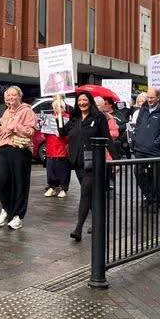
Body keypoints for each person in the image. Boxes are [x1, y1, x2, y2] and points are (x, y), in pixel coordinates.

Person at [58, 91, 111, 241]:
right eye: (79, 100)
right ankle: (98, 223)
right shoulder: (75, 118)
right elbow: (62, 133)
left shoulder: (98, 117)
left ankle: (78, 228)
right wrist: (59, 116)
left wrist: (115, 159)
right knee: (91, 194)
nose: (82, 103)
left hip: (93, 161)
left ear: (90, 101)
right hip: (77, 162)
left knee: (85, 193)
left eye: (85, 100)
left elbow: (107, 138)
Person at [0, 86, 37, 230]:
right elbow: (4, 130)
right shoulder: (5, 112)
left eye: (12, 95)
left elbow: (31, 131)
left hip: (20, 150)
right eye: (7, 96)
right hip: (3, 149)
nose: (9, 98)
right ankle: (6, 208)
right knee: (0, 180)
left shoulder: (27, 111)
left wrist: (16, 126)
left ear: (19, 97)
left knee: (19, 183)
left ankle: (17, 215)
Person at [133, 87, 160, 212]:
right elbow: (138, 125)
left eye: (152, 98)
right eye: (148, 98)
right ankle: (150, 197)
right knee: (138, 173)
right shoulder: (143, 109)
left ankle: (156, 202)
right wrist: (137, 139)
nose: (149, 100)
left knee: (156, 177)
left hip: (156, 151)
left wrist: (155, 143)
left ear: (158, 97)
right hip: (141, 149)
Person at [43, 98, 71, 198]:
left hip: (63, 148)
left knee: (63, 169)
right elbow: (45, 134)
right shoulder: (50, 118)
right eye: (55, 107)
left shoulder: (68, 118)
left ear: (63, 108)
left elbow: (70, 135)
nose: (57, 109)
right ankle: (52, 187)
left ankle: (64, 188)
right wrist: (43, 126)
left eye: (59, 107)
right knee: (51, 169)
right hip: (51, 148)